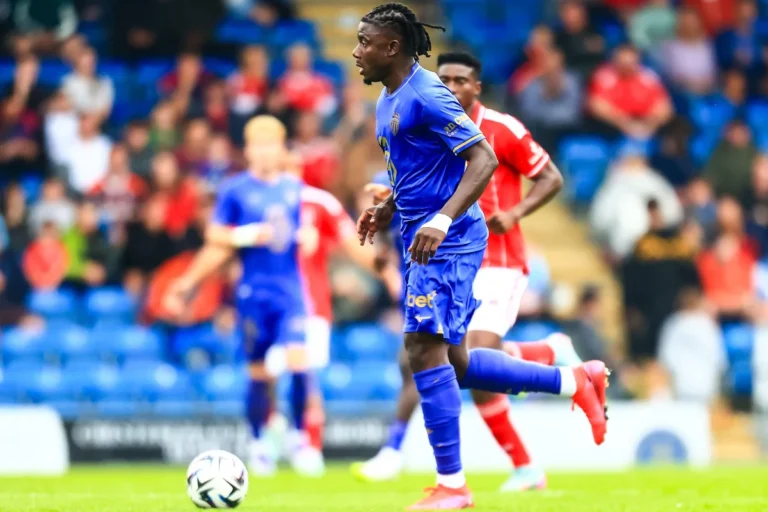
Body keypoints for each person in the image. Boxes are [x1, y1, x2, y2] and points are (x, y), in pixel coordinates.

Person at [352, 5, 609, 509]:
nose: (357, 51)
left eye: (365, 42)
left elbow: (483, 159)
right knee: (456, 362)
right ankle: (571, 379)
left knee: (423, 350)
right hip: (419, 238)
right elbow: (418, 173)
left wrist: (442, 219)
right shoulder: (388, 98)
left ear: (392, 48)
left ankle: (453, 486)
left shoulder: (428, 93)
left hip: (450, 240)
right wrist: (387, 208)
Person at [163, 115, 323, 477]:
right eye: (259, 145)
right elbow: (216, 237)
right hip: (252, 293)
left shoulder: (295, 189)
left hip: (290, 291)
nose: (266, 152)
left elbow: (307, 230)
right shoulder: (235, 190)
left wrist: (309, 237)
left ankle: (301, 441)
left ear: (282, 149)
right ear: (248, 150)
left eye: (272, 145)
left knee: (299, 363)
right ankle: (259, 443)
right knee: (258, 373)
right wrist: (246, 236)